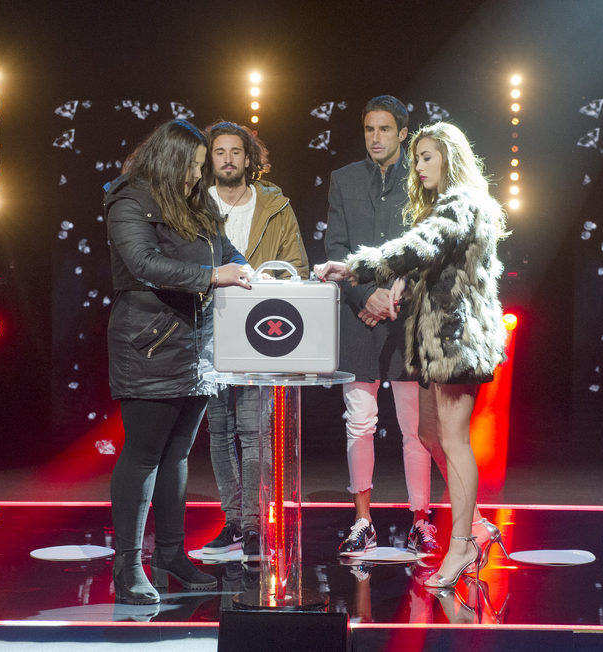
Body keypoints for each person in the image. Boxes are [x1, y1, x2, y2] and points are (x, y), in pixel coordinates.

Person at [316, 121, 509, 589]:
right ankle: (477, 524)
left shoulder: (462, 201)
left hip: (456, 340)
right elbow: (432, 260)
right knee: (427, 431)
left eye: (427, 157)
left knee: (454, 439)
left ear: (450, 157)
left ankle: (462, 543)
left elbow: (420, 245)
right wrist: (406, 283)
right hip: (434, 341)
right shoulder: (447, 204)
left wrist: (356, 266)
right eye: (417, 157)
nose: (418, 166)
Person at [104, 119, 253, 604]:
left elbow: (226, 251)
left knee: (178, 455)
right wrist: (215, 275)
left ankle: (169, 554)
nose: (198, 175)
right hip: (148, 344)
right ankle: (127, 566)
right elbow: (144, 265)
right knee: (144, 455)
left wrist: (242, 267)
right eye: (192, 166)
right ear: (170, 162)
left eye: (200, 166)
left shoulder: (197, 202)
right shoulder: (129, 201)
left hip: (196, 348)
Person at [324, 95, 438, 558]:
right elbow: (335, 244)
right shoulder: (344, 179)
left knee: (415, 429)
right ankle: (362, 521)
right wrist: (361, 296)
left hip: (406, 320)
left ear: (403, 133)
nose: (375, 138)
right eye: (369, 129)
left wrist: (395, 294)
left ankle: (420, 522)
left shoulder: (422, 178)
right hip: (356, 318)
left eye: (384, 130)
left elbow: (427, 246)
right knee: (360, 423)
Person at [199, 121, 309, 562]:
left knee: (254, 429)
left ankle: (255, 526)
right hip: (206, 328)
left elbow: (296, 264)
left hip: (261, 329)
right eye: (219, 151)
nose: (227, 159)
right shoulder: (195, 205)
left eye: (235, 151)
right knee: (219, 430)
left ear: (249, 159)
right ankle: (233, 522)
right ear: (210, 159)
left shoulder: (275, 206)